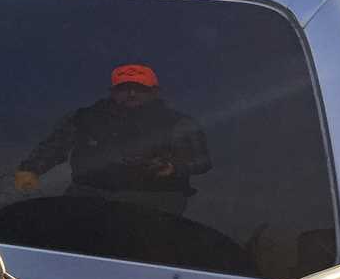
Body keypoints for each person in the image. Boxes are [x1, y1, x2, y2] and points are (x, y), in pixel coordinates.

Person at [14, 64, 211, 216]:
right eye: (124, 88)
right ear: (113, 91)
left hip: (154, 204)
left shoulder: (177, 123)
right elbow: (55, 146)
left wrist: (173, 167)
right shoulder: (86, 117)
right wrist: (31, 169)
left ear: (154, 92)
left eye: (139, 89)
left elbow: (201, 161)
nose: (131, 94)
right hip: (90, 197)